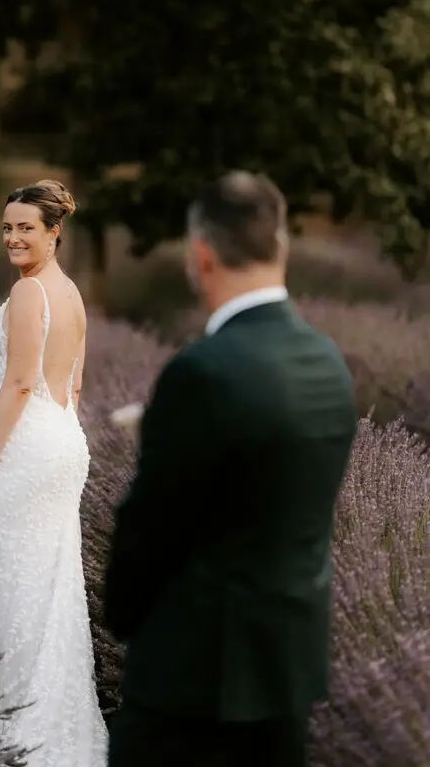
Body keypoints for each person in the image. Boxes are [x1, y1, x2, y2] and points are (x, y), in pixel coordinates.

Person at [104, 171, 357, 767]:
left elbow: (152, 532)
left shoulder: (202, 373)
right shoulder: (328, 363)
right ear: (281, 247)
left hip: (194, 686)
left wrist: (122, 613)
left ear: (200, 257)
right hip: (286, 680)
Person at [0, 179, 108, 767]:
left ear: (55, 231)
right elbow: (73, 384)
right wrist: (60, 444)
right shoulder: (70, 292)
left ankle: (23, 732)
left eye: (26, 227)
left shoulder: (29, 294)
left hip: (29, 447)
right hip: (62, 441)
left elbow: (21, 380)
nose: (13, 237)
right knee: (52, 583)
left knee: (23, 583)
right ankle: (57, 725)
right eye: (7, 227)